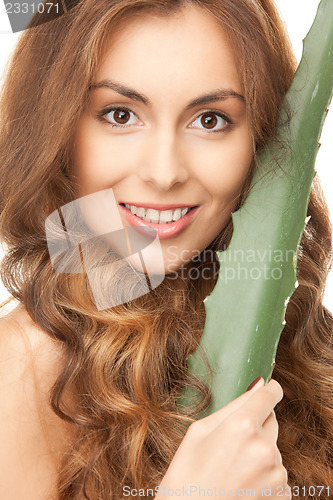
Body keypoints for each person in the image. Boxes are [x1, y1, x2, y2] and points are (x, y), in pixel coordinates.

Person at [0, 0, 332, 499]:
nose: (164, 172)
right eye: (119, 114)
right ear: (57, 129)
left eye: (211, 120)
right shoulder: (28, 364)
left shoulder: (306, 344)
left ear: (263, 140)